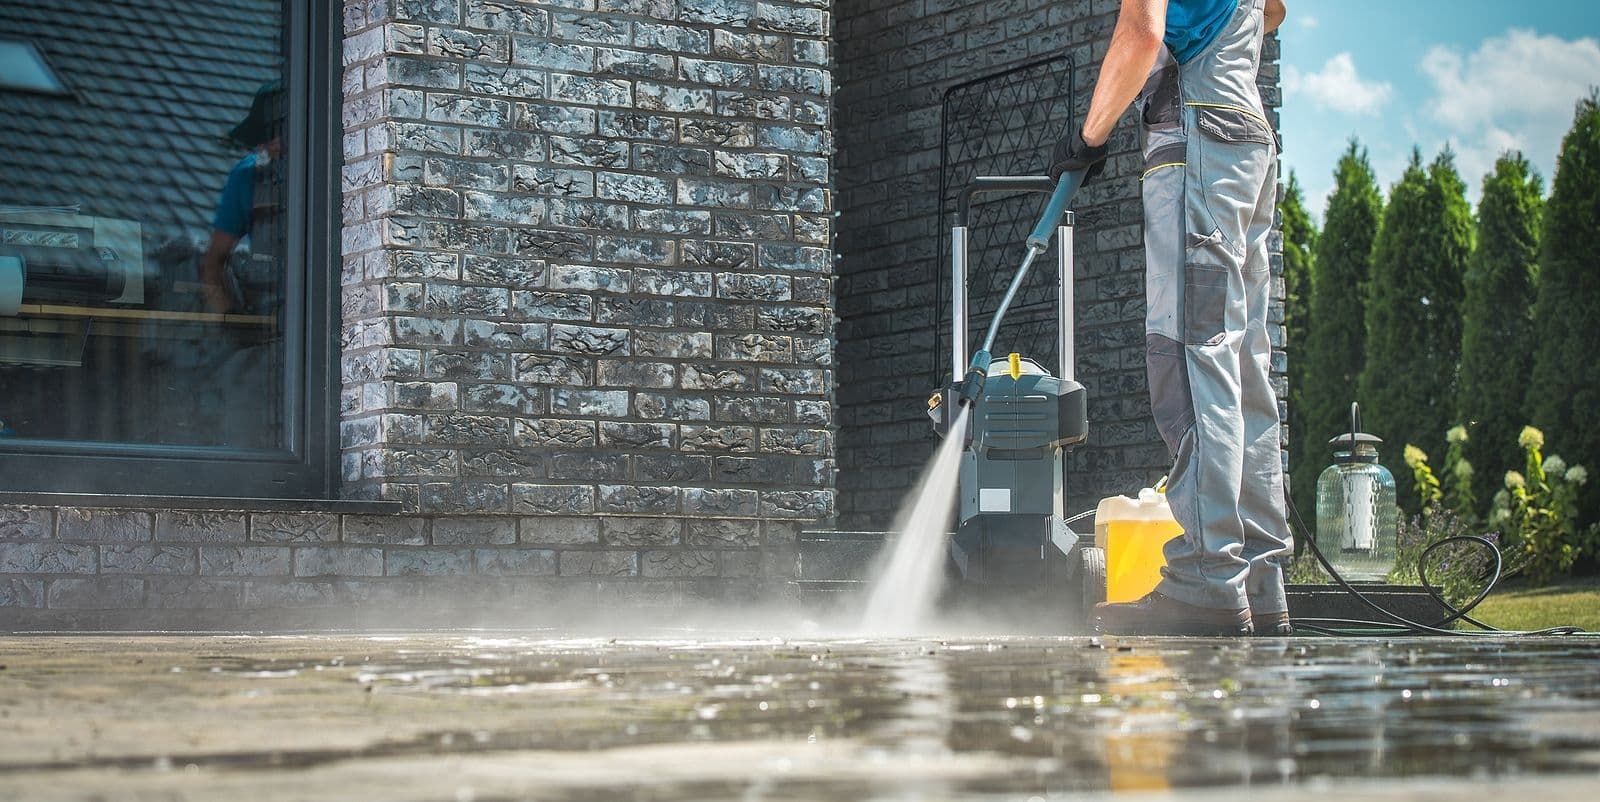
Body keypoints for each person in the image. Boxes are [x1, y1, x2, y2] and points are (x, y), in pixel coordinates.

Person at [1050, 0, 1292, 635]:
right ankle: (1259, 579)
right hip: (1246, 140)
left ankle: (1208, 577)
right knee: (1242, 364)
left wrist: (1088, 137)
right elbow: (1271, 12)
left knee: (1189, 354)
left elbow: (1140, 30)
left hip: (1196, 142)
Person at [200, 80, 283, 314]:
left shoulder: (340, 173)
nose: (270, 145)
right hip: (268, 322)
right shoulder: (248, 176)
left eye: (277, 134)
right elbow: (213, 263)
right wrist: (232, 320)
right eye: (265, 137)